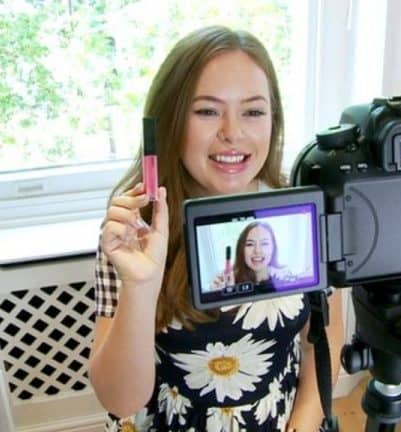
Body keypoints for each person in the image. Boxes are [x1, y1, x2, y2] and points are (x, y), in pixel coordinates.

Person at [89, 26, 344, 432]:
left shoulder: (299, 207)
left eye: (253, 111)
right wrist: (139, 286)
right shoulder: (133, 230)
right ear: (172, 120)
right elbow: (120, 401)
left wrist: (307, 418)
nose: (233, 132)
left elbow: (324, 331)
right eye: (207, 111)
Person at [211, 221, 297, 291]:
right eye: (250, 244)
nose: (257, 251)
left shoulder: (285, 276)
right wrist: (221, 295)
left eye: (264, 243)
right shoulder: (228, 279)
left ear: (273, 248)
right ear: (241, 249)